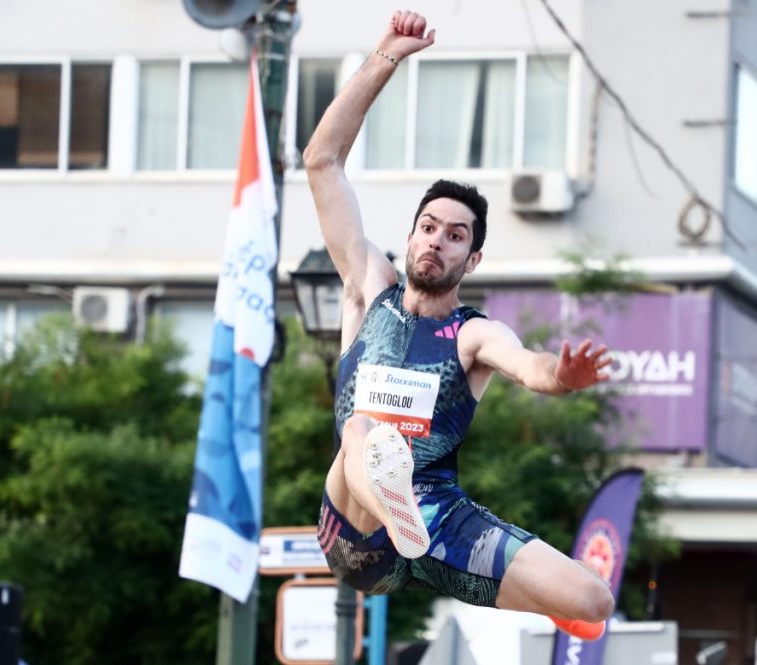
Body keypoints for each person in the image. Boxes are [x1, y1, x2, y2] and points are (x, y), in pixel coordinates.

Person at [303, 9, 615, 641]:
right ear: (411, 235)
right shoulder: (369, 290)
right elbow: (322, 162)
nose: (436, 242)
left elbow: (531, 369)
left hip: (442, 521)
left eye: (454, 236)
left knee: (593, 599)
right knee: (364, 428)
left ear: (471, 259)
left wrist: (565, 374)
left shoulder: (473, 335)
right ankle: (394, 506)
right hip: (357, 537)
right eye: (428, 228)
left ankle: (461, 555)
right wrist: (385, 56)